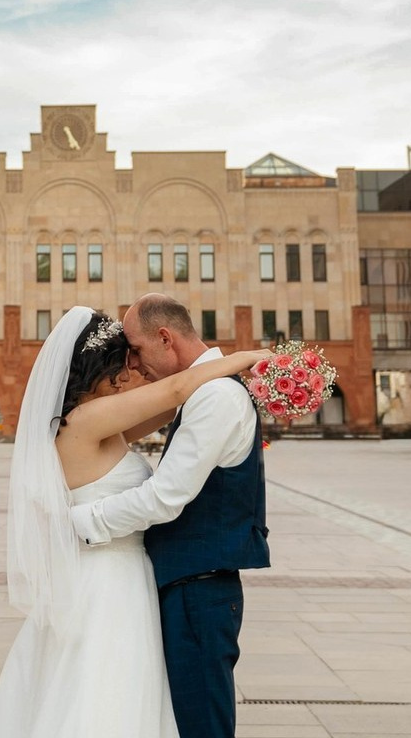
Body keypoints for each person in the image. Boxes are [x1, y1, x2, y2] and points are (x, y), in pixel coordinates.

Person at [0, 305, 268, 738]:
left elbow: (174, 407)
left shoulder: (96, 424)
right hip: (108, 578)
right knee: (107, 692)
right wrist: (243, 359)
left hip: (116, 574)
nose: (132, 367)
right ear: (99, 365)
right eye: (125, 357)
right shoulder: (87, 420)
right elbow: (176, 391)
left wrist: (236, 387)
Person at [71, 294, 270, 738]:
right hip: (187, 581)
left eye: (137, 350)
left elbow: (165, 498)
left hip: (197, 585)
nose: (136, 366)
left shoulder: (215, 396)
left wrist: (77, 524)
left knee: (201, 722)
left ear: (165, 337)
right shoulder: (206, 390)